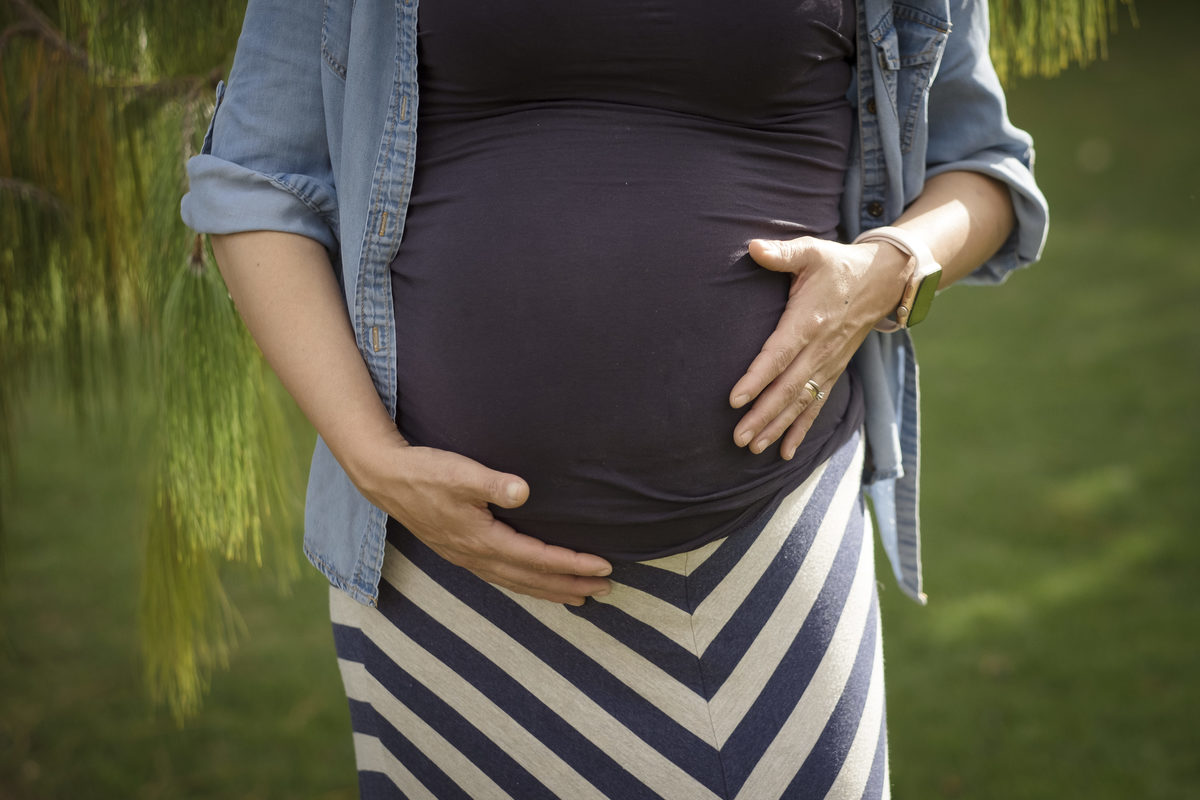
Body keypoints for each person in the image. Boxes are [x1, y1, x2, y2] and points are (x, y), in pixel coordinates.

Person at [183, 0, 1048, 797]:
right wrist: (372, 460)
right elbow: (256, 179)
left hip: (770, 564)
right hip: (448, 573)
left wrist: (887, 268)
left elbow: (982, 170)